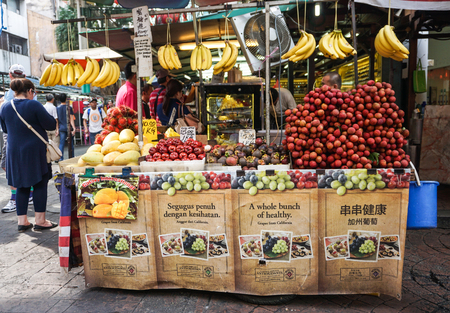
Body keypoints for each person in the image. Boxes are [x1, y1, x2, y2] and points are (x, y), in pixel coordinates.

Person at [0, 78, 58, 231]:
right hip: (34, 151)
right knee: (39, 182)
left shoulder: (5, 106)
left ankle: (22, 222)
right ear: (30, 91)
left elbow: (5, 129)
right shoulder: (34, 104)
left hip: (14, 151)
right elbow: (51, 125)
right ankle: (40, 221)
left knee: (20, 185)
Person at [1, 64, 29, 213]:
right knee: (25, 166)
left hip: (12, 135)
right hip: (27, 136)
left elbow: (4, 122)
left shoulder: (11, 94)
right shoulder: (31, 91)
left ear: (10, 76)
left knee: (8, 166)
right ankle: (28, 194)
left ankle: (14, 199)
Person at [56, 93, 76, 161]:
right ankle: (72, 157)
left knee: (61, 143)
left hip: (61, 128)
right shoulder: (69, 108)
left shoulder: (57, 108)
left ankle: (61, 158)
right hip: (68, 128)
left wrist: (57, 129)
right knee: (71, 143)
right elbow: (71, 119)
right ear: (66, 99)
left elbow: (57, 120)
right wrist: (74, 128)